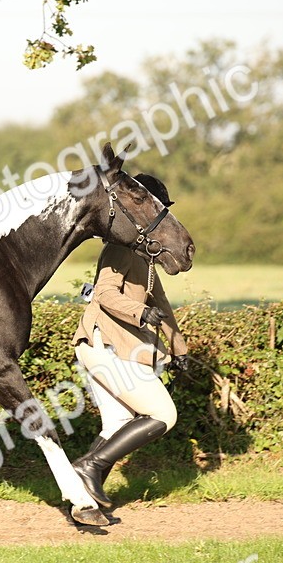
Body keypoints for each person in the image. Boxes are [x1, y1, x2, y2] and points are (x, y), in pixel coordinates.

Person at [71, 174, 188, 509]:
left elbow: (162, 304)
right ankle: (89, 467)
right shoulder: (120, 249)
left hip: (106, 347)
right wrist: (140, 313)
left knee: (118, 423)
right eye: (159, 208)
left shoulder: (145, 255)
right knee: (164, 414)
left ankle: (84, 501)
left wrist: (179, 351)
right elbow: (105, 294)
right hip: (104, 344)